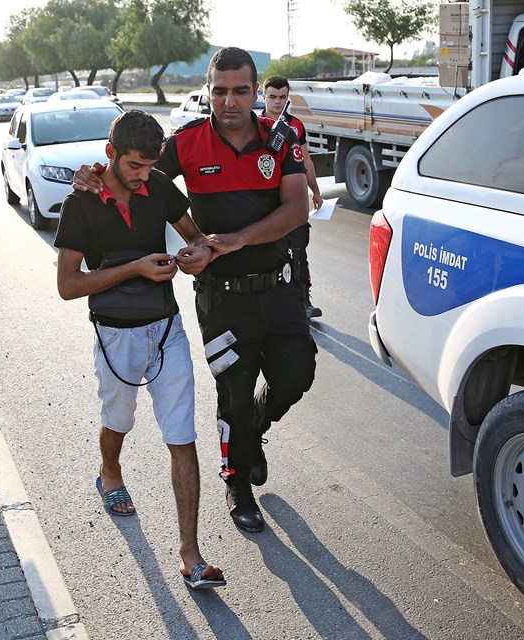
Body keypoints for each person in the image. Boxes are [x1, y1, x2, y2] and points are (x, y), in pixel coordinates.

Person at [73, 47, 317, 534]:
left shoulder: (281, 139)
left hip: (281, 289)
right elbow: (131, 169)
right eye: (220, 91)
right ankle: (239, 482)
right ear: (209, 92)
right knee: (233, 389)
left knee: (296, 376)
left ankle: (255, 426)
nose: (230, 101)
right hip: (221, 296)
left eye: (241, 91)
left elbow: (296, 209)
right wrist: (92, 176)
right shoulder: (185, 144)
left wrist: (237, 240)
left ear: (255, 92)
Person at [54, 110, 225, 589]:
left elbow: (194, 237)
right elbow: (68, 285)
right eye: (133, 166)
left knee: (182, 435)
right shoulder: (81, 203)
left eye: (149, 166)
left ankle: (190, 556)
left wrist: (196, 255)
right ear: (110, 154)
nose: (142, 175)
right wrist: (135, 269)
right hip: (115, 335)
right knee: (119, 420)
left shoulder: (159, 184)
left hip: (167, 327)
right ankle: (110, 469)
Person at [262, 75, 323, 319]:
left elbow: (306, 160)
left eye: (283, 97)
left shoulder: (296, 126)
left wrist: (316, 192)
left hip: (293, 203)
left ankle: (303, 302)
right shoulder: (253, 125)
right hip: (266, 204)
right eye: (273, 97)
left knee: (299, 253)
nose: (278, 102)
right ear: (263, 96)